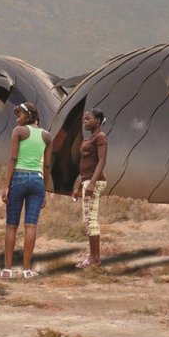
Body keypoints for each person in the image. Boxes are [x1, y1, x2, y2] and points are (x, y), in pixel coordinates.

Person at [1, 102, 53, 279]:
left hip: (18, 179)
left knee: (11, 226)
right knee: (31, 225)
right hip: (38, 182)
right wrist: (45, 190)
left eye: (20, 115)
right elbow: (46, 165)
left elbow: (13, 158)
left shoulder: (19, 132)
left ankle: (7, 270)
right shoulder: (47, 136)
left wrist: (6, 185)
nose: (17, 119)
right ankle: (27, 270)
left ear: (29, 115)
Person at [73, 108, 108, 268]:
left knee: (91, 220)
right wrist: (79, 186)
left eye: (88, 119)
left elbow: (101, 161)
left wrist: (92, 183)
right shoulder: (89, 139)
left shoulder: (100, 137)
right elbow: (84, 166)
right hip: (87, 181)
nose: (84, 121)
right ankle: (92, 258)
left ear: (98, 121)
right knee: (88, 220)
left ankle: (95, 259)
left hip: (95, 181)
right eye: (84, 119)